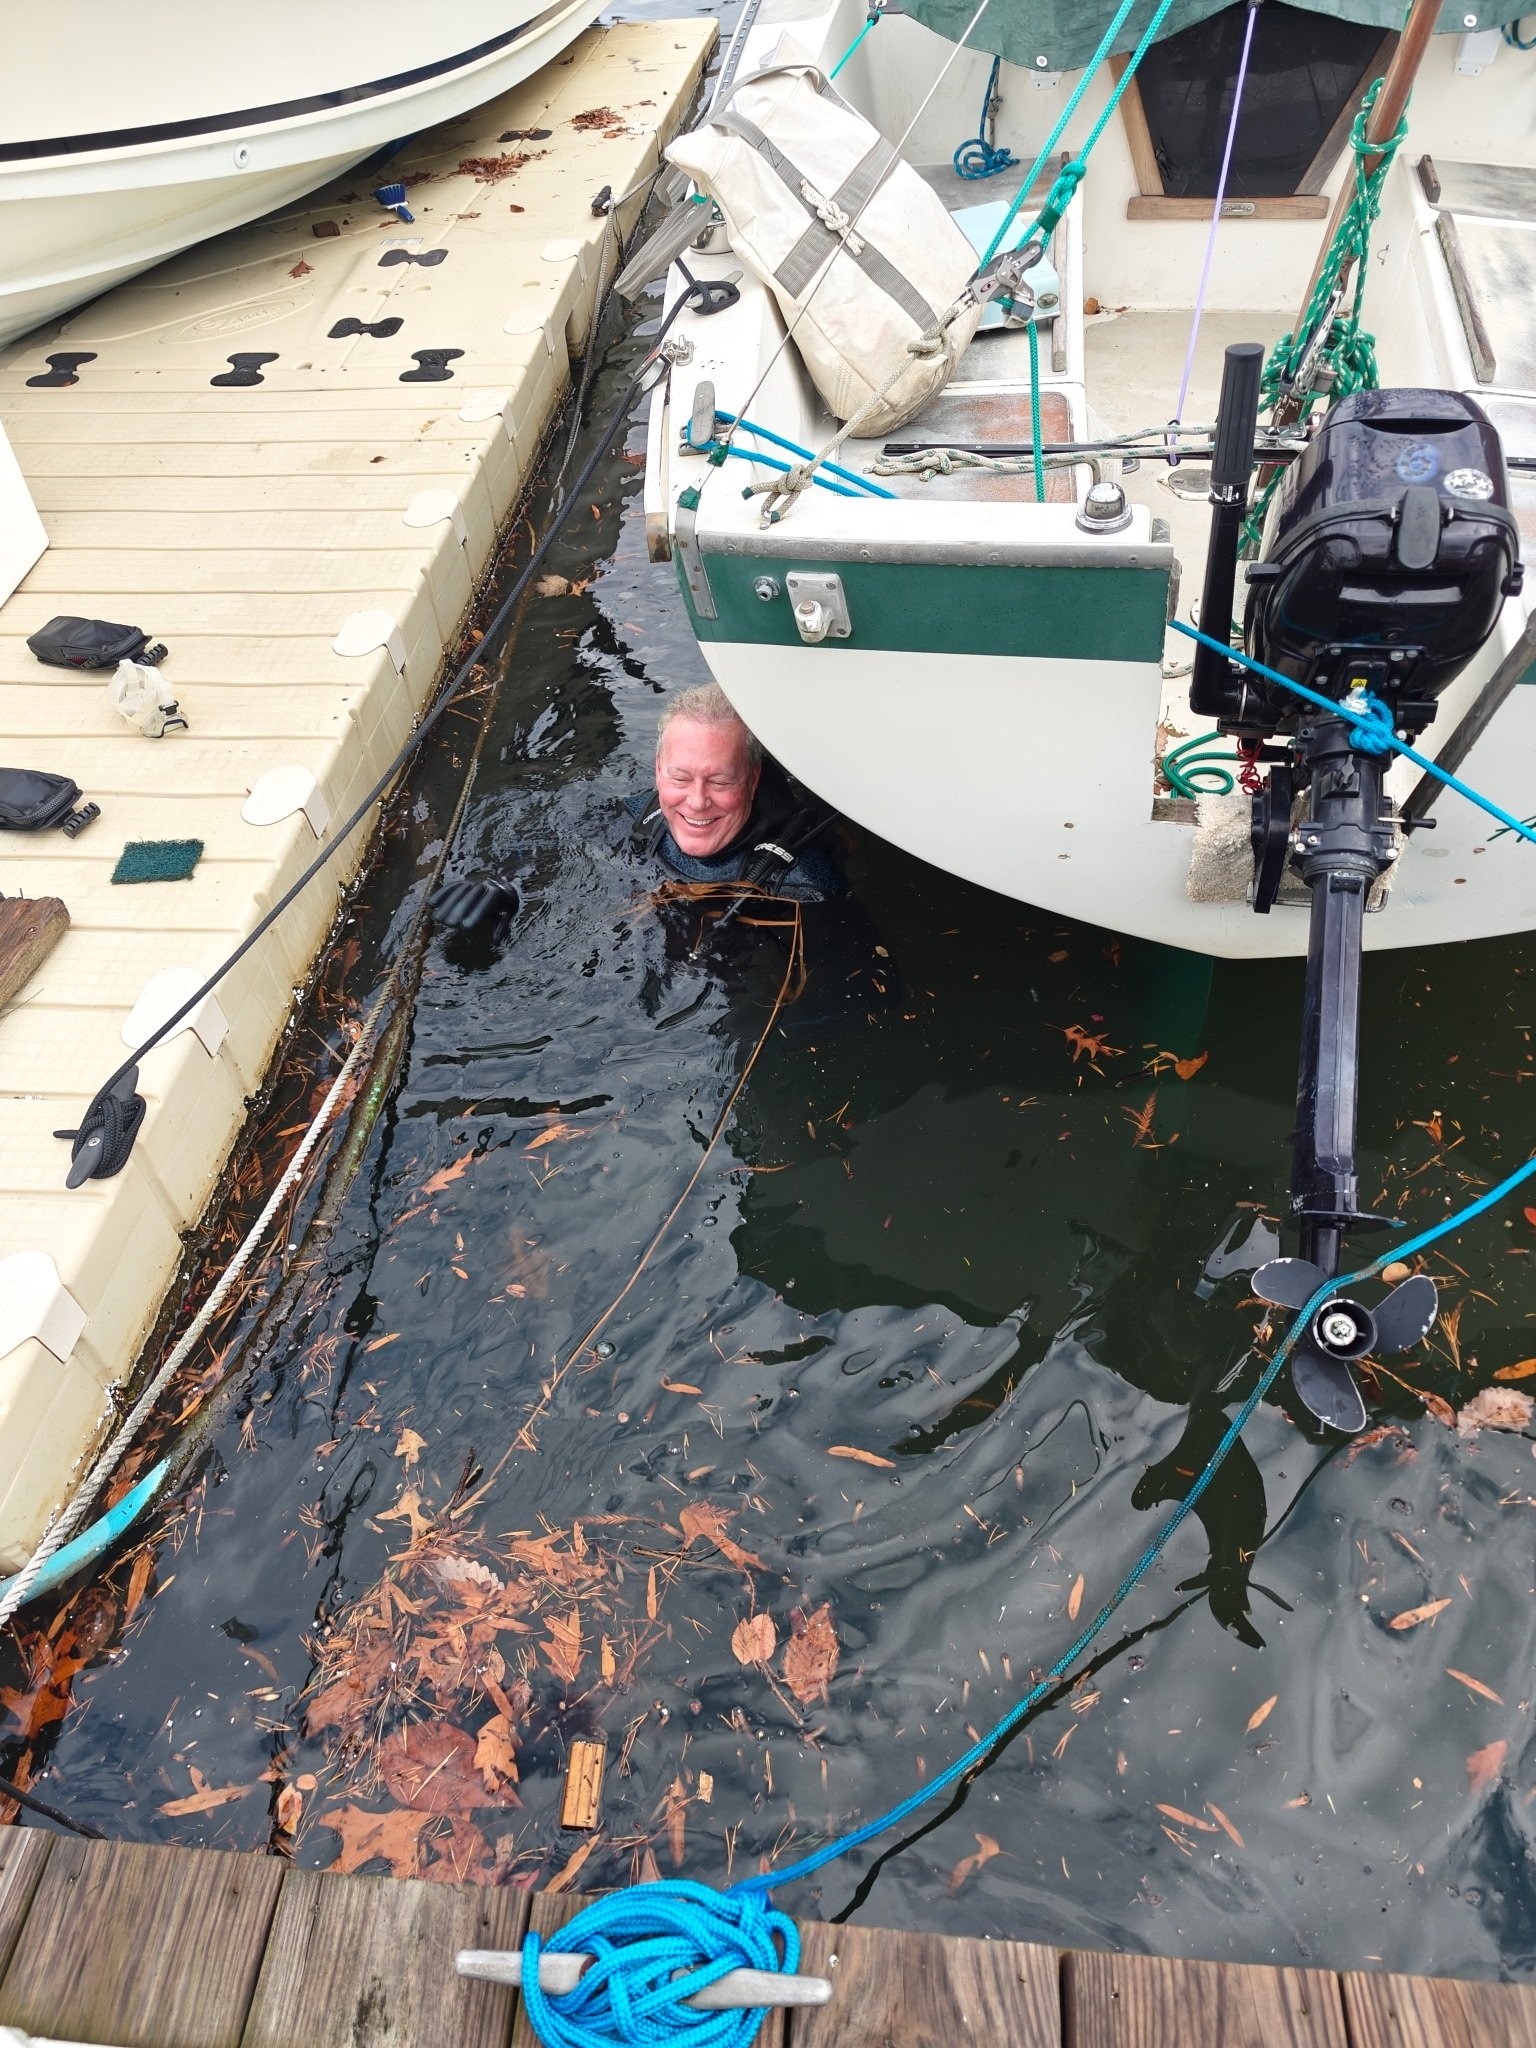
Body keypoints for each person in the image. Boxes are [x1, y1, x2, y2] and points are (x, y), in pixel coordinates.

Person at [627, 683, 842, 902]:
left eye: (720, 782)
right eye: (681, 779)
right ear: (658, 771)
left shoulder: (804, 886)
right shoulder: (633, 818)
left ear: (753, 779)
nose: (697, 802)